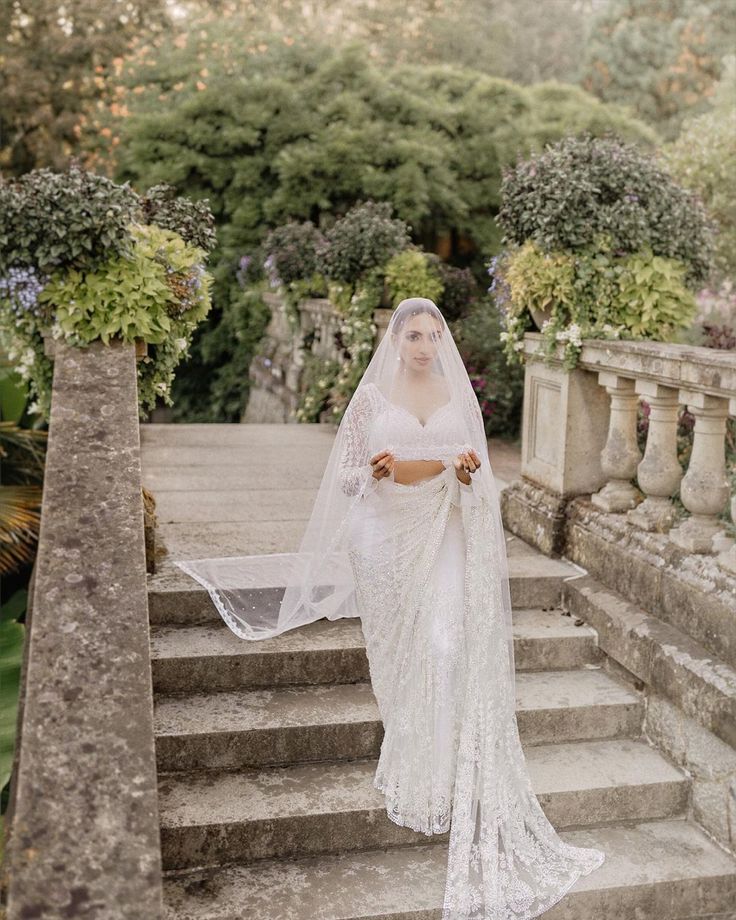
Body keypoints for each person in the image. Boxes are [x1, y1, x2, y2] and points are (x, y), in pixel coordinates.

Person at [174, 297, 606, 918]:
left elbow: (481, 481)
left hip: (445, 532)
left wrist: (463, 476)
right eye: (414, 336)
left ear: (442, 342)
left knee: (445, 641)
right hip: (385, 541)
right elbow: (345, 477)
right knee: (405, 649)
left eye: (434, 335)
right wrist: (372, 474)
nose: (425, 346)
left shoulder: (460, 401)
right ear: (396, 341)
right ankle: (412, 748)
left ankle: (444, 766)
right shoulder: (371, 400)